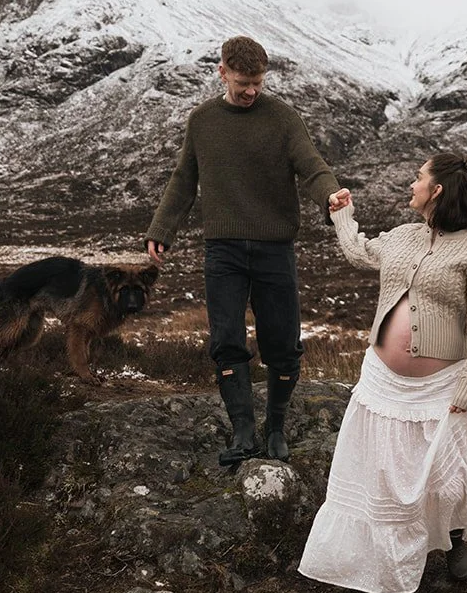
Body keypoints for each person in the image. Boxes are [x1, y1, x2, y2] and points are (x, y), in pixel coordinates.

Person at [299, 153, 467, 593]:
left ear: (437, 191)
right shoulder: (403, 236)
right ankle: (404, 582)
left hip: (440, 387)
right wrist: (343, 215)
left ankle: (456, 537)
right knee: (392, 485)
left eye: (419, 177)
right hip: (381, 382)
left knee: (441, 477)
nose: (411, 183)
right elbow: (360, 252)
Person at [145, 36, 350, 465]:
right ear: (223, 72)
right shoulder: (202, 121)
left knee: (283, 344)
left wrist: (330, 196)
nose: (251, 91)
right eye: (242, 83)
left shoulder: (283, 118)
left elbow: (312, 167)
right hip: (223, 250)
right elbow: (185, 178)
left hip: (275, 249)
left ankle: (276, 429)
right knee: (226, 341)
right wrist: (162, 228)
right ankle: (243, 432)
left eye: (257, 82)